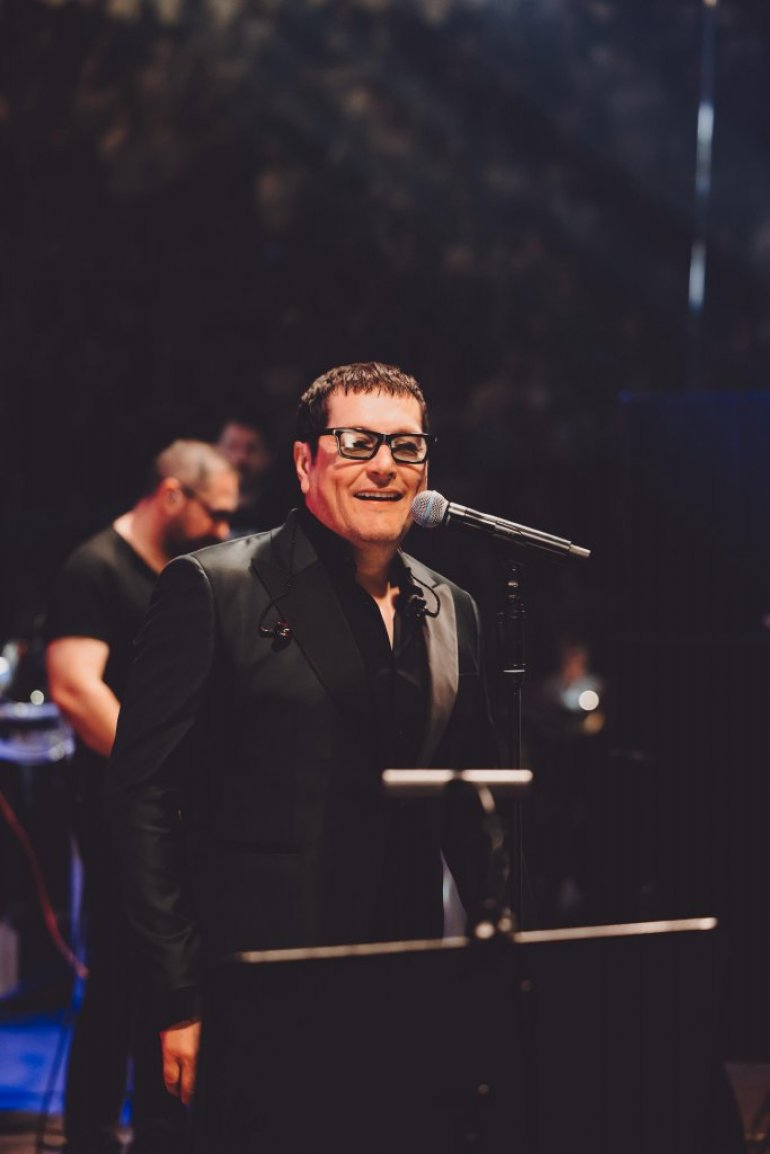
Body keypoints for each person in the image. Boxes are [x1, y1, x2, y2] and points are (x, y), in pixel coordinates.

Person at [105, 363, 498, 1126]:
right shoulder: (214, 588)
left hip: (403, 985)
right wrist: (176, 995)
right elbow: (140, 800)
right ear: (303, 461)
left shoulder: (452, 608)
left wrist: (508, 977)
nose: (384, 465)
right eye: (356, 442)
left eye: (406, 446)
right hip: (254, 989)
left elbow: (472, 808)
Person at [45, 441, 239, 1154]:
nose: (224, 529)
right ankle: (93, 1136)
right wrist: (160, 769)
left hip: (174, 807)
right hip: (116, 807)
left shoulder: (188, 573)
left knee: (169, 971)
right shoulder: (95, 567)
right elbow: (75, 687)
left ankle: (163, 1130)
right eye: (215, 513)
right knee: (120, 974)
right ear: (171, 495)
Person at [215, 412, 283, 534]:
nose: (241, 458)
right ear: (215, 450)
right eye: (232, 447)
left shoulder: (281, 515)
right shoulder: (202, 512)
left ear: (267, 456)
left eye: (251, 449)